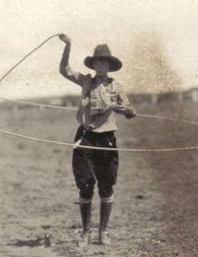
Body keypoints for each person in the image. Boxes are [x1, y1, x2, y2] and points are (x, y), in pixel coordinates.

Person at [58, 33, 136, 246]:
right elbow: (64, 70)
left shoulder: (116, 87)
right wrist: (68, 46)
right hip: (85, 138)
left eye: (105, 62)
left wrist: (124, 109)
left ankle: (103, 232)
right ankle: (85, 232)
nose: (101, 65)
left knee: (107, 187)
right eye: (98, 62)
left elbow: (131, 112)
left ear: (110, 66)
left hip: (107, 141)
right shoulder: (86, 81)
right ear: (94, 64)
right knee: (85, 186)